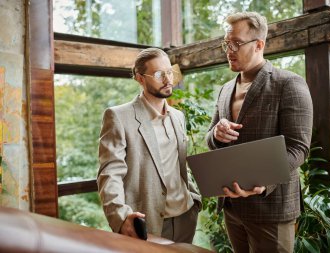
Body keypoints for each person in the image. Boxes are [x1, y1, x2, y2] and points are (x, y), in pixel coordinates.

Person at [206, 12, 313, 253]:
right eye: (226, 43)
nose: (228, 50)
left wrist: (263, 181)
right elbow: (210, 138)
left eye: (236, 43)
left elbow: (299, 148)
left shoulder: (289, 83)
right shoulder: (225, 89)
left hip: (271, 209)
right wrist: (216, 134)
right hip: (232, 207)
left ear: (259, 45)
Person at [97, 48, 201, 243]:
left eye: (169, 72)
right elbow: (110, 173)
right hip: (148, 223)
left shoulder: (178, 116)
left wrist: (194, 198)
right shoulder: (118, 116)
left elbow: (178, 165)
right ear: (140, 78)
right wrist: (120, 217)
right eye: (159, 74)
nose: (168, 79)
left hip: (186, 215)